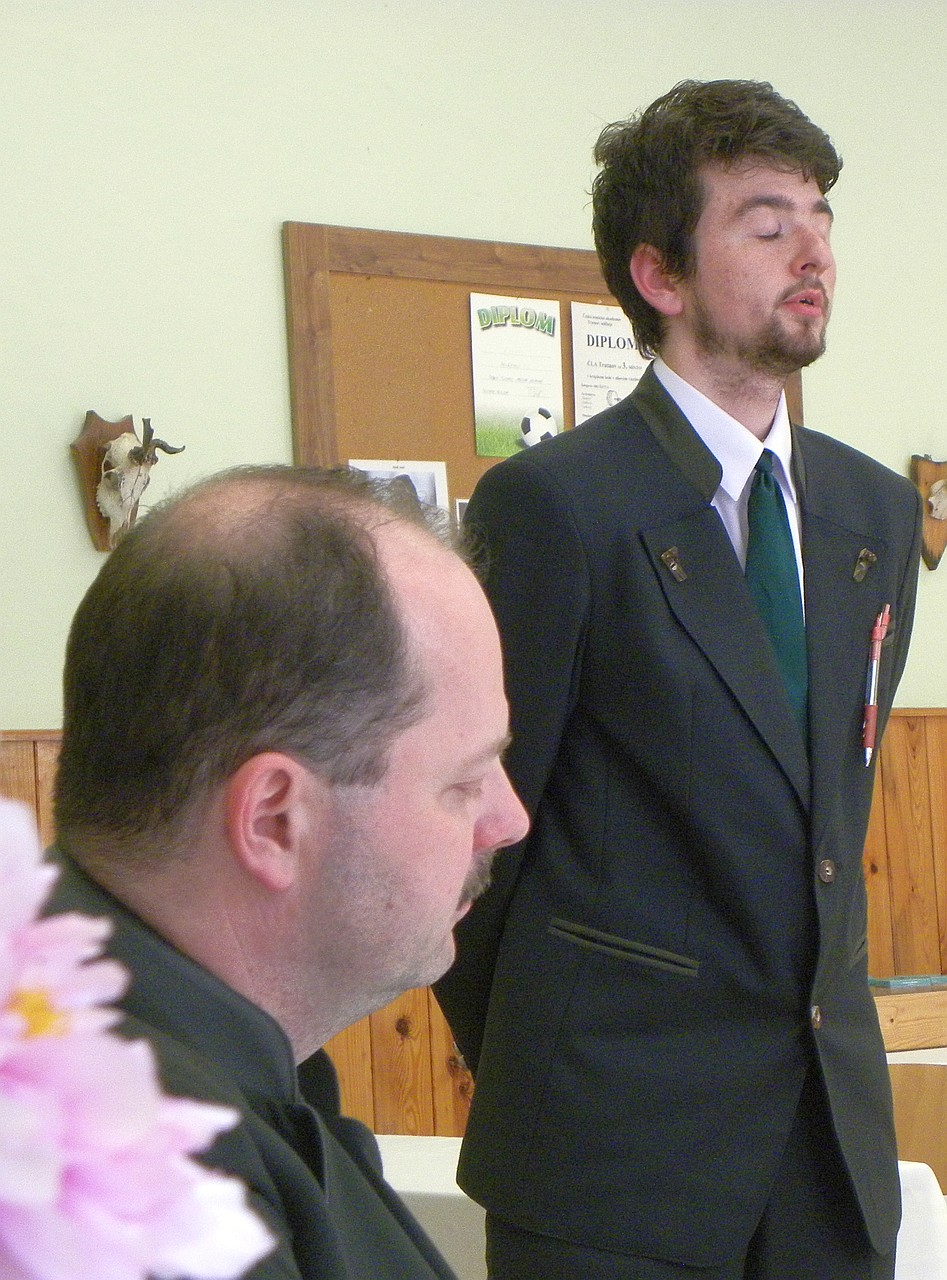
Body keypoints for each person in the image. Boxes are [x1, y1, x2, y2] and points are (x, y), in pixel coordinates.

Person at [434, 80, 923, 1279]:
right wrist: (556, 1058)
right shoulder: (556, 507)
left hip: (825, 1153)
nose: (812, 252)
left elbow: (828, 809)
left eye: (818, 217)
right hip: (607, 1152)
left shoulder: (871, 511)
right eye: (765, 223)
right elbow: (477, 841)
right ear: (658, 274)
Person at [47, 464, 529, 1280]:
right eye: (463, 782)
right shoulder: (139, 1202)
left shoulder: (214, 1069)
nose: (508, 821)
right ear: (274, 820)